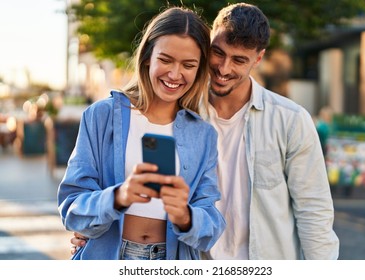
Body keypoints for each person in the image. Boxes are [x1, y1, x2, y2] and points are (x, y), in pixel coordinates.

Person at [71, 2, 340, 260]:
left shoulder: (289, 120)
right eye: (219, 53)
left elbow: (314, 212)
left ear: (258, 59)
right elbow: (78, 198)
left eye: (239, 60)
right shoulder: (179, 110)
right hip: (194, 260)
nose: (224, 69)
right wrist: (99, 222)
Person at [58, 6, 226, 260]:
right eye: (165, 59)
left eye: (188, 65)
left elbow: (211, 226)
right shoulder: (101, 116)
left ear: (199, 69)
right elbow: (72, 207)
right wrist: (118, 196)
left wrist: (185, 215)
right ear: (148, 56)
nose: (174, 74)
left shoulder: (203, 135)